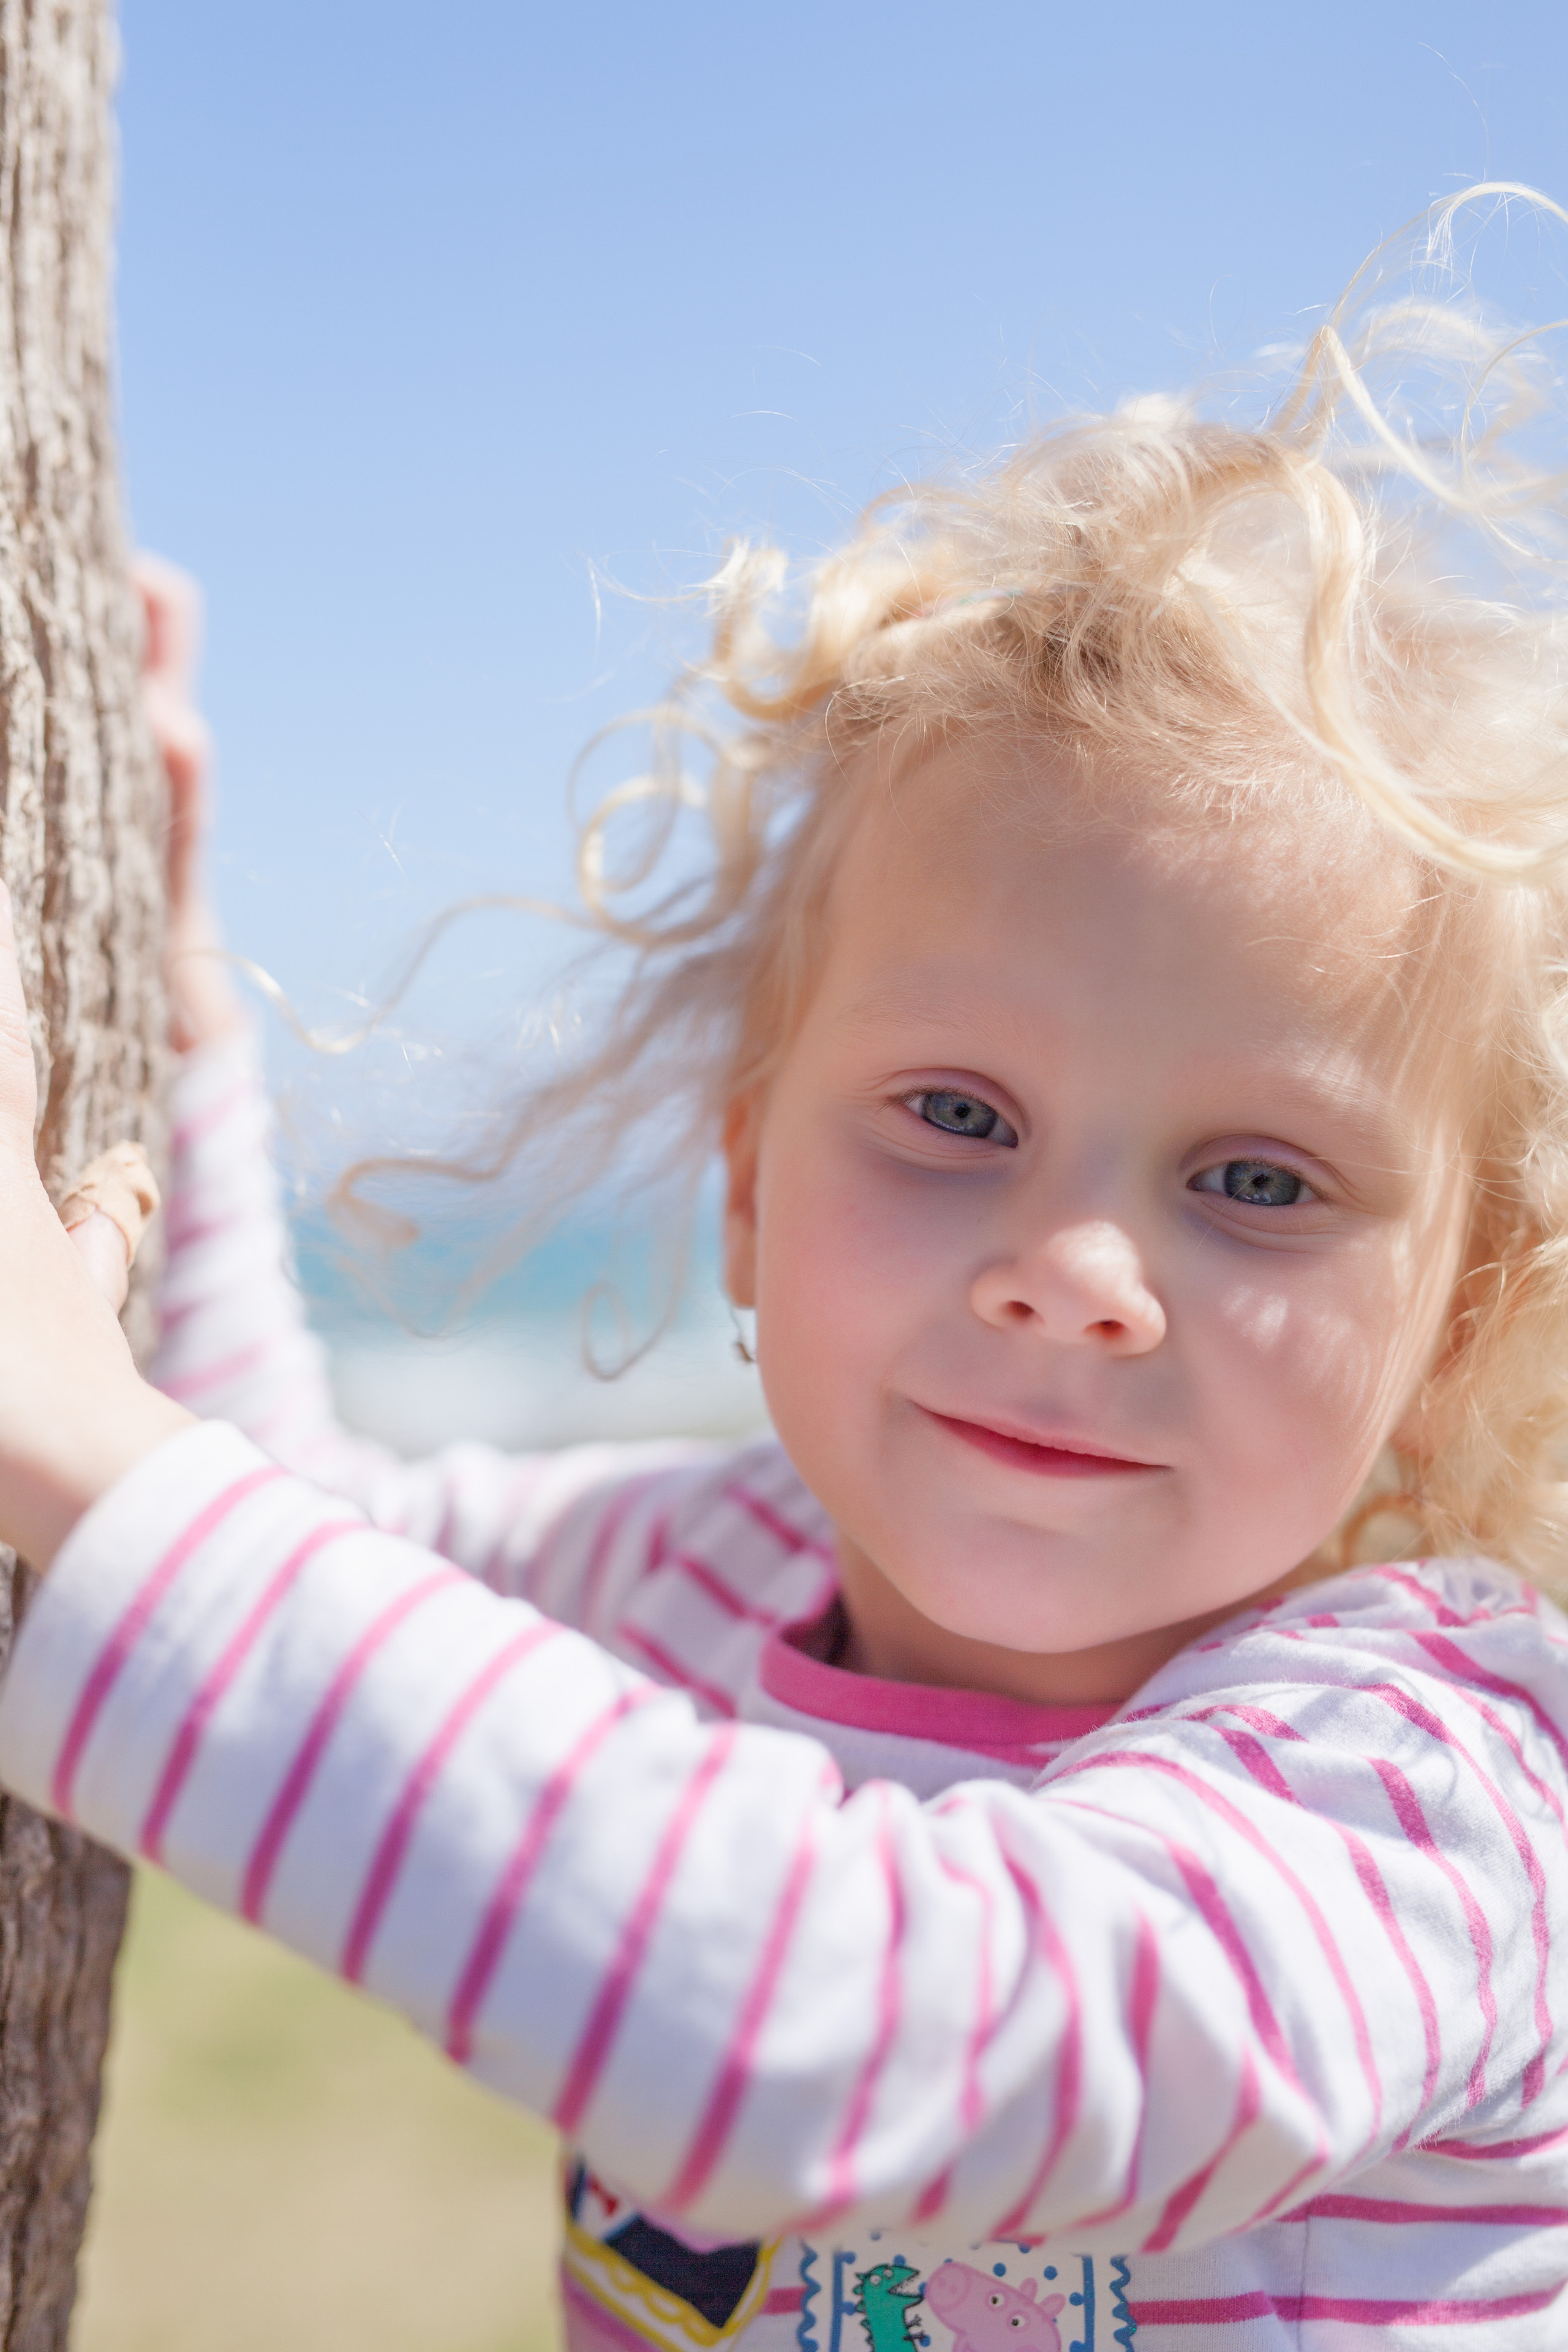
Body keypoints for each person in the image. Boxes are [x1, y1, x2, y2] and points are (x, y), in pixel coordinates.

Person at [2, 197, 1568, 2350]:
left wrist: (72, 1444)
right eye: (955, 1118)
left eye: (1261, 1180)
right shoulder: (712, 1575)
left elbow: (880, 2025)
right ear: (743, 1186)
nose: (1077, 1269)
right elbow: (293, 1539)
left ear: (1460, 1319)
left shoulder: (1425, 1792)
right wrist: (164, 1020)